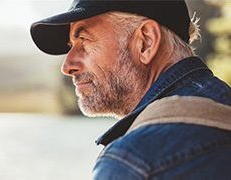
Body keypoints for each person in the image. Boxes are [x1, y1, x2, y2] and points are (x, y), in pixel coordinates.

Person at [30, 0, 231, 179]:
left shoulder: (134, 161)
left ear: (146, 42)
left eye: (84, 40)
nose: (67, 66)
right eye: (70, 44)